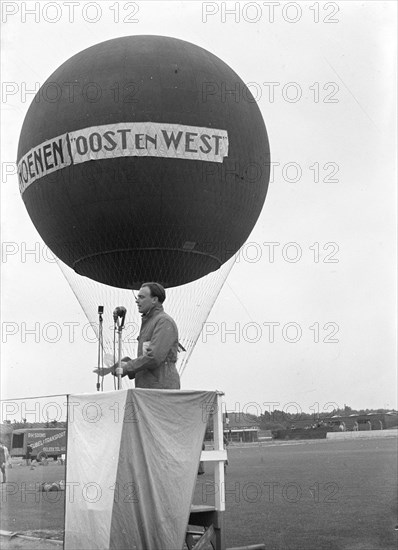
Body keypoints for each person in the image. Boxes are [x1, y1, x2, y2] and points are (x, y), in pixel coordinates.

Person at [95, 282, 180, 389]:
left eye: (141, 297)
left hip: (160, 389)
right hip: (147, 388)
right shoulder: (150, 322)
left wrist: (128, 367)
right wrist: (125, 365)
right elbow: (148, 359)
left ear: (154, 300)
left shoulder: (164, 321)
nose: (137, 301)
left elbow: (154, 357)